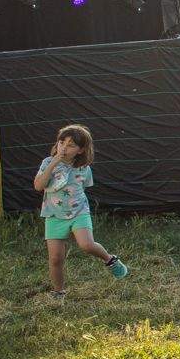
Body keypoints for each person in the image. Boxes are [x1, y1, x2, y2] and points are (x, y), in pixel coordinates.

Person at [34, 125, 128, 299]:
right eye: (62, 142)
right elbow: (39, 186)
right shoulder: (48, 163)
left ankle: (110, 259)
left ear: (81, 150)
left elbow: (83, 187)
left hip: (79, 212)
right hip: (54, 215)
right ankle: (58, 292)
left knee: (87, 245)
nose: (64, 147)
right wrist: (54, 163)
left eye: (71, 145)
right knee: (55, 258)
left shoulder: (84, 168)